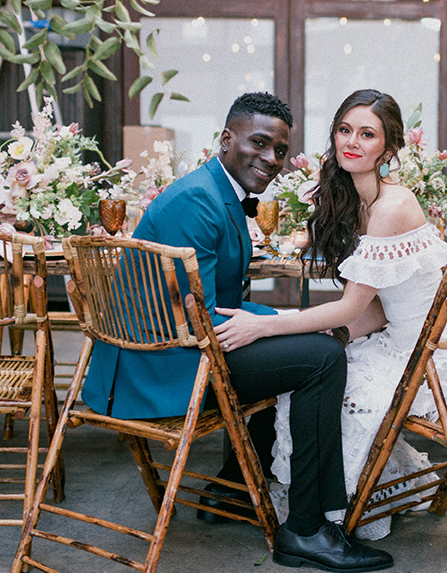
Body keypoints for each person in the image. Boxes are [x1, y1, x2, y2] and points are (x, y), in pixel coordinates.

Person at [79, 92, 393, 572]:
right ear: (226, 139)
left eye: (280, 150)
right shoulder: (197, 203)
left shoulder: (214, 190)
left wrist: (272, 324)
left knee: (297, 343)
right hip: (162, 367)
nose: (270, 159)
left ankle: (233, 492)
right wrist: (279, 328)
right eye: (259, 143)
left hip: (173, 347)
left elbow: (215, 306)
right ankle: (306, 529)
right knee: (321, 358)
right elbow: (203, 319)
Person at [216, 89, 447, 540]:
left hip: (428, 357)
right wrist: (333, 335)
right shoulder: (358, 202)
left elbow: (351, 306)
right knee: (305, 363)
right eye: (344, 130)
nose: (351, 142)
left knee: (314, 381)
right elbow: (378, 305)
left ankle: (324, 516)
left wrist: (262, 324)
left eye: (367, 134)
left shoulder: (391, 207)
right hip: (395, 337)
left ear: (389, 148)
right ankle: (246, 495)